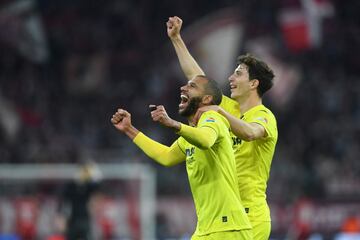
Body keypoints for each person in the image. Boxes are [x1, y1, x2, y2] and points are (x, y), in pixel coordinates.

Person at [167, 16, 278, 240]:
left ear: (254, 83)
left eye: (238, 74)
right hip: (228, 215)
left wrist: (220, 112)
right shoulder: (230, 108)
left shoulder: (265, 116)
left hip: (250, 216)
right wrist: (177, 39)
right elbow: (196, 78)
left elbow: (250, 132)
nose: (230, 78)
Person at [111, 75, 253, 240]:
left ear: (207, 99)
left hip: (229, 228)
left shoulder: (213, 119)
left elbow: (206, 140)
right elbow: (167, 156)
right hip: (207, 229)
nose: (183, 88)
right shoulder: (191, 135)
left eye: (192, 86)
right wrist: (129, 129)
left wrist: (173, 124)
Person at [60, 161, 102, 240]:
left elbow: (97, 186)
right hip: (73, 219)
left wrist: (93, 173)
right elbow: (63, 201)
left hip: (85, 219)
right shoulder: (70, 187)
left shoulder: (89, 187)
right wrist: (62, 216)